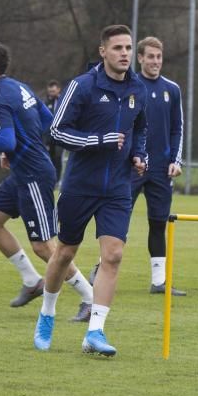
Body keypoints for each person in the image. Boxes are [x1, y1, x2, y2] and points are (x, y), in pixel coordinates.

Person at [0, 41, 93, 321]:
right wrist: (15, 150)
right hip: (22, 171)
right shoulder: (19, 86)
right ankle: (32, 281)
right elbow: (47, 122)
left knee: (44, 245)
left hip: (33, 175)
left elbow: (8, 137)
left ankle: (90, 298)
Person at [33, 24, 147, 357]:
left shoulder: (137, 89)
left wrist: (140, 155)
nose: (125, 53)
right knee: (65, 253)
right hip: (80, 186)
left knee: (113, 255)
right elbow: (56, 131)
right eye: (118, 48)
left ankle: (95, 331)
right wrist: (99, 141)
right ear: (103, 52)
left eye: (128, 48)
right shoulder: (81, 87)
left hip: (118, 187)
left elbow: (139, 129)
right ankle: (47, 313)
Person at [91, 36, 187, 295]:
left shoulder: (172, 89)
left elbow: (178, 128)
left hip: (160, 169)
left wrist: (175, 161)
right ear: (140, 58)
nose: (155, 62)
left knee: (158, 222)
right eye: (150, 57)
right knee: (117, 221)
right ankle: (99, 268)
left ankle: (159, 282)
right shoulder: (130, 86)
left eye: (159, 57)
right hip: (131, 167)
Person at [43, 80, 63, 180]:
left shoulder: (63, 101)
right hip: (48, 137)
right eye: (50, 91)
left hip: (60, 136)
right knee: (48, 159)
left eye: (53, 91)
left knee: (58, 158)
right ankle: (49, 179)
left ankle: (57, 180)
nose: (51, 93)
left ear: (58, 90)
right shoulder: (45, 103)